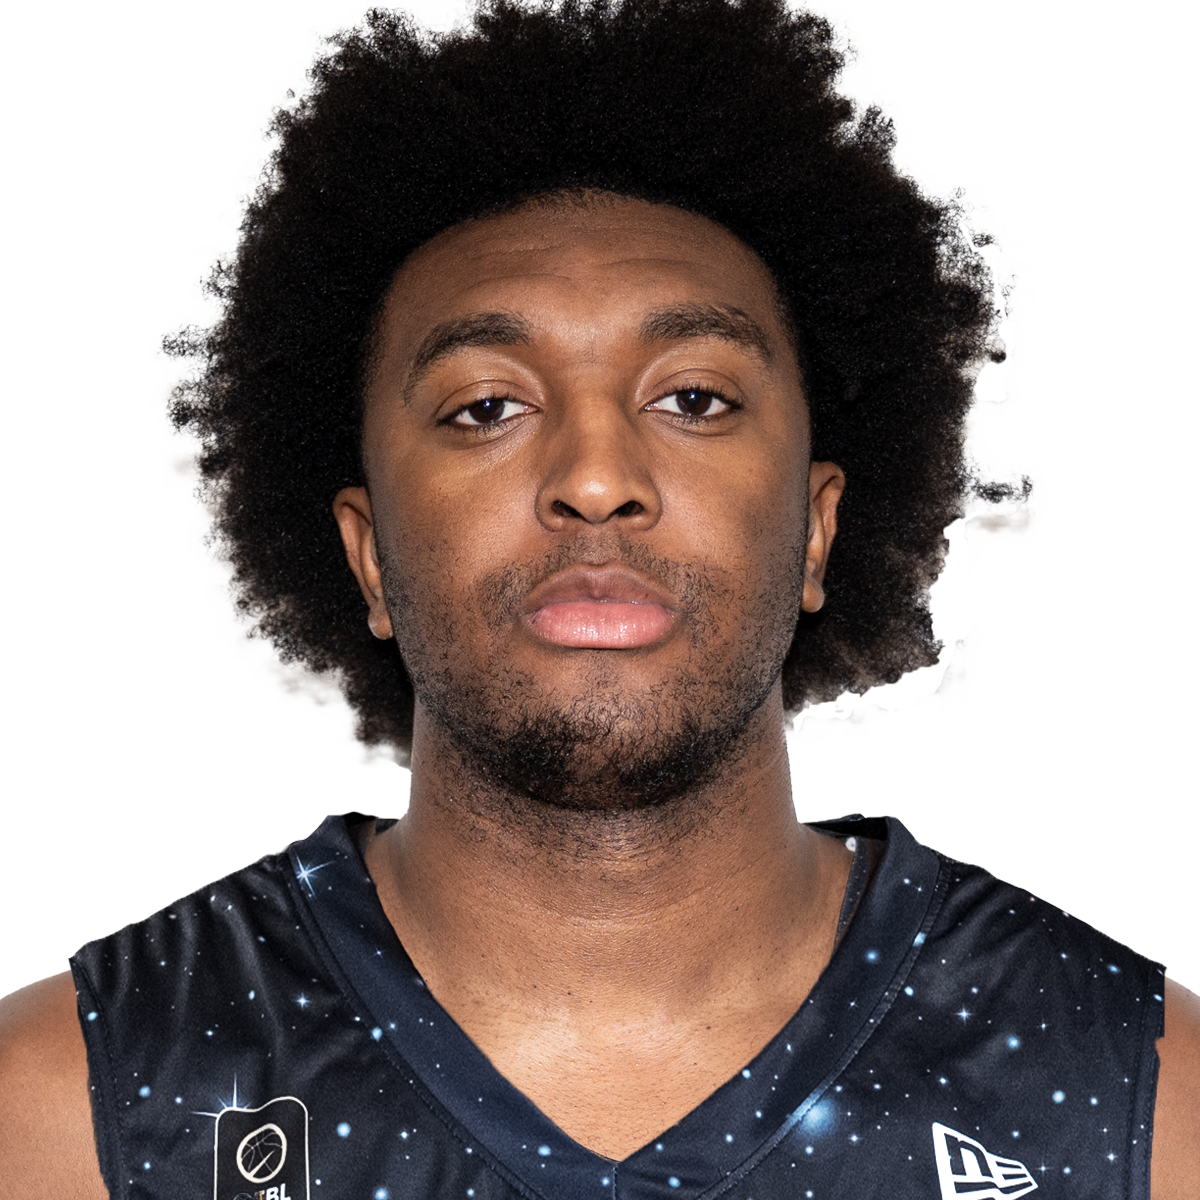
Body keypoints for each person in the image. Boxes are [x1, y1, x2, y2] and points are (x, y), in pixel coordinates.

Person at [1, 0, 1197, 1194]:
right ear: (367, 556)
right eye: (487, 407)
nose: (593, 477)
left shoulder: (1147, 1099)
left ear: (816, 529)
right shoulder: (74, 1107)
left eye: (694, 399)